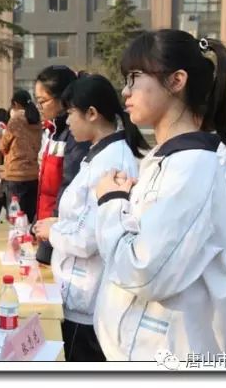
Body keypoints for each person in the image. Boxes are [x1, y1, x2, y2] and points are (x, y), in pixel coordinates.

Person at [93, 30, 226, 361]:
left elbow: (145, 272)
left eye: (134, 77)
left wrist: (111, 202)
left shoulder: (191, 167)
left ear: (176, 81)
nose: (125, 91)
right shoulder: (169, 160)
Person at [32, 74, 148, 361]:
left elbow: (90, 238)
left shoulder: (113, 162)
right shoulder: (98, 155)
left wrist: (53, 232)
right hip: (77, 287)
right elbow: (85, 216)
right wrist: (58, 224)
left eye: (71, 113)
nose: (68, 121)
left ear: (92, 114)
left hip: (87, 297)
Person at [33, 66, 91, 265]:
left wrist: (54, 226)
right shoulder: (52, 131)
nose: (39, 107)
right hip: (47, 226)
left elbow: (69, 185)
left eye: (43, 101)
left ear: (62, 98)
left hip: (60, 229)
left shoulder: (74, 134)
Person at [0, 89, 43, 223]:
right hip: (33, 173)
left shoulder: (15, 120)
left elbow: (3, 145)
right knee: (30, 217)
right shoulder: (36, 120)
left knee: (16, 219)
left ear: (16, 104)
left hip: (15, 174)